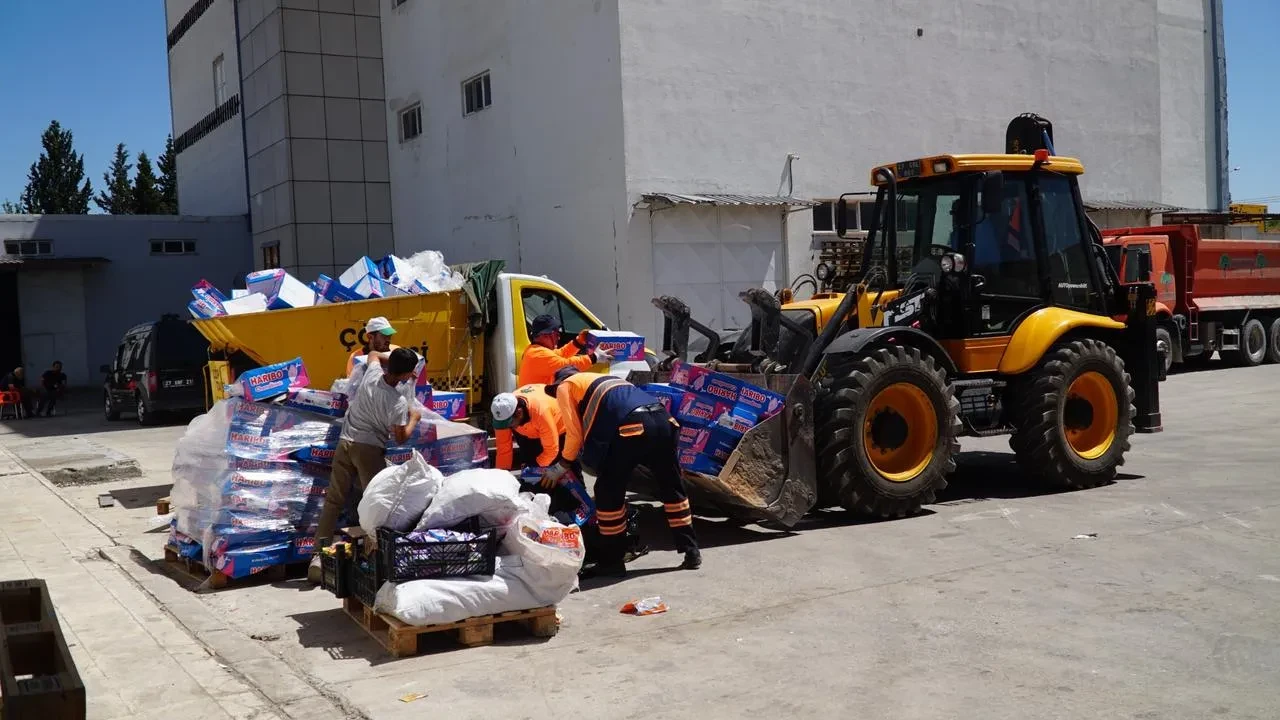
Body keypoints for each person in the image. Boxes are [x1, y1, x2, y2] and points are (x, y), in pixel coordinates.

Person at [542, 368, 700, 577]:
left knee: (608, 493)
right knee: (672, 488)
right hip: (664, 422)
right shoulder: (609, 380)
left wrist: (561, 466)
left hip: (632, 427)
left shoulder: (565, 386)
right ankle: (691, 551)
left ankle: (611, 562)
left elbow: (574, 434)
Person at [310, 347, 422, 583]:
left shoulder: (371, 374)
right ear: (405, 375)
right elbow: (401, 437)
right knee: (377, 505)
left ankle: (318, 558)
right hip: (368, 450)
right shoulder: (397, 401)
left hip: (345, 442)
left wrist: (395, 364)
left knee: (333, 501)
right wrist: (414, 418)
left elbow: (373, 353)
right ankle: (374, 563)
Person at [517, 314, 609, 387]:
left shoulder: (535, 349)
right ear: (544, 335)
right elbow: (566, 365)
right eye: (555, 333)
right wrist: (594, 357)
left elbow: (561, 353)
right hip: (535, 406)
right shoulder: (537, 354)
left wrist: (578, 341)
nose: (559, 336)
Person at [491, 384, 566, 472]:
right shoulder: (502, 413)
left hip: (558, 431)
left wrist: (536, 467)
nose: (507, 428)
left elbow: (551, 450)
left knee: (560, 473)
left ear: (519, 413)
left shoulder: (540, 412)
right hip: (528, 431)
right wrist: (501, 473)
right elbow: (503, 447)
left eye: (509, 423)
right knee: (530, 473)